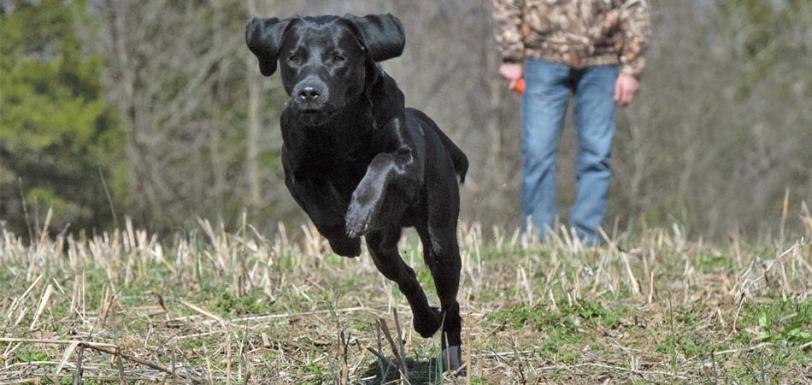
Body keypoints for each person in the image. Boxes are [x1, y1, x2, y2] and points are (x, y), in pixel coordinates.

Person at [493, 0, 651, 244]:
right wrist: (511, 55)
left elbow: (636, 6)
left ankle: (586, 239)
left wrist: (632, 68)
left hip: (603, 59)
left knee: (597, 154)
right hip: (542, 54)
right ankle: (537, 239)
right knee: (537, 152)